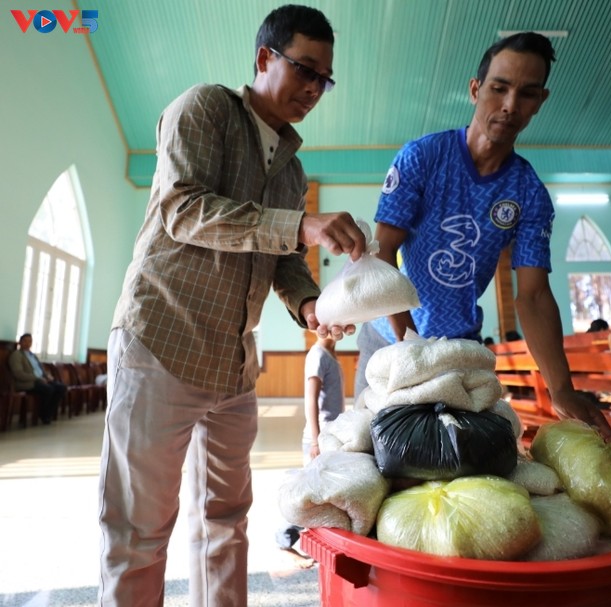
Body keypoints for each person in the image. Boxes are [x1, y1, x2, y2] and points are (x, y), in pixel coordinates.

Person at [97, 5, 367, 606]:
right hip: (160, 341)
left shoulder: (292, 169)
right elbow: (184, 209)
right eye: (305, 69)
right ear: (265, 57)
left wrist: (311, 308)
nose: (315, 89)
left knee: (226, 521)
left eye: (325, 78)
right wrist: (300, 224)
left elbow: (285, 264)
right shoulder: (206, 108)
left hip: (234, 366)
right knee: (139, 529)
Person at [354, 31, 611, 442]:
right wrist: (408, 345)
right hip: (390, 340)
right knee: (379, 460)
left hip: (461, 350)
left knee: (461, 470)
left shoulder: (529, 193)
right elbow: (382, 252)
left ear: (540, 101)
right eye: (499, 88)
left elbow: (532, 295)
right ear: (476, 89)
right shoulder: (423, 157)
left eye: (527, 94)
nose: (510, 106)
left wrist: (561, 388)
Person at [275, 335, 345, 567]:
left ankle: (314, 544)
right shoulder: (317, 355)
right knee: (307, 495)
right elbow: (311, 400)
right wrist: (316, 441)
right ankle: (284, 543)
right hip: (319, 439)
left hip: (329, 437)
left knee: (320, 494)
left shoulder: (330, 356)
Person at [8, 333, 66, 424]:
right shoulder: (16, 355)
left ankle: (48, 413)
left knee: (61, 387)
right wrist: (36, 378)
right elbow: (18, 374)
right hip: (27, 382)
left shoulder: (32, 355)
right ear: (20, 343)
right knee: (48, 389)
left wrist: (47, 376)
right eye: (25, 341)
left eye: (29, 341)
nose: (27, 343)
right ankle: (43, 415)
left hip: (41, 380)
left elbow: (40, 369)